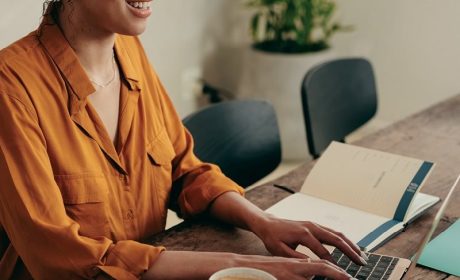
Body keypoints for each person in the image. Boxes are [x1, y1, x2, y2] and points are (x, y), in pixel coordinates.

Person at [0, 1, 367, 279]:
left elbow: (184, 170)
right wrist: (242, 265)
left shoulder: (129, 51)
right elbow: (61, 256)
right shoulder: (11, 84)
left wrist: (263, 222)